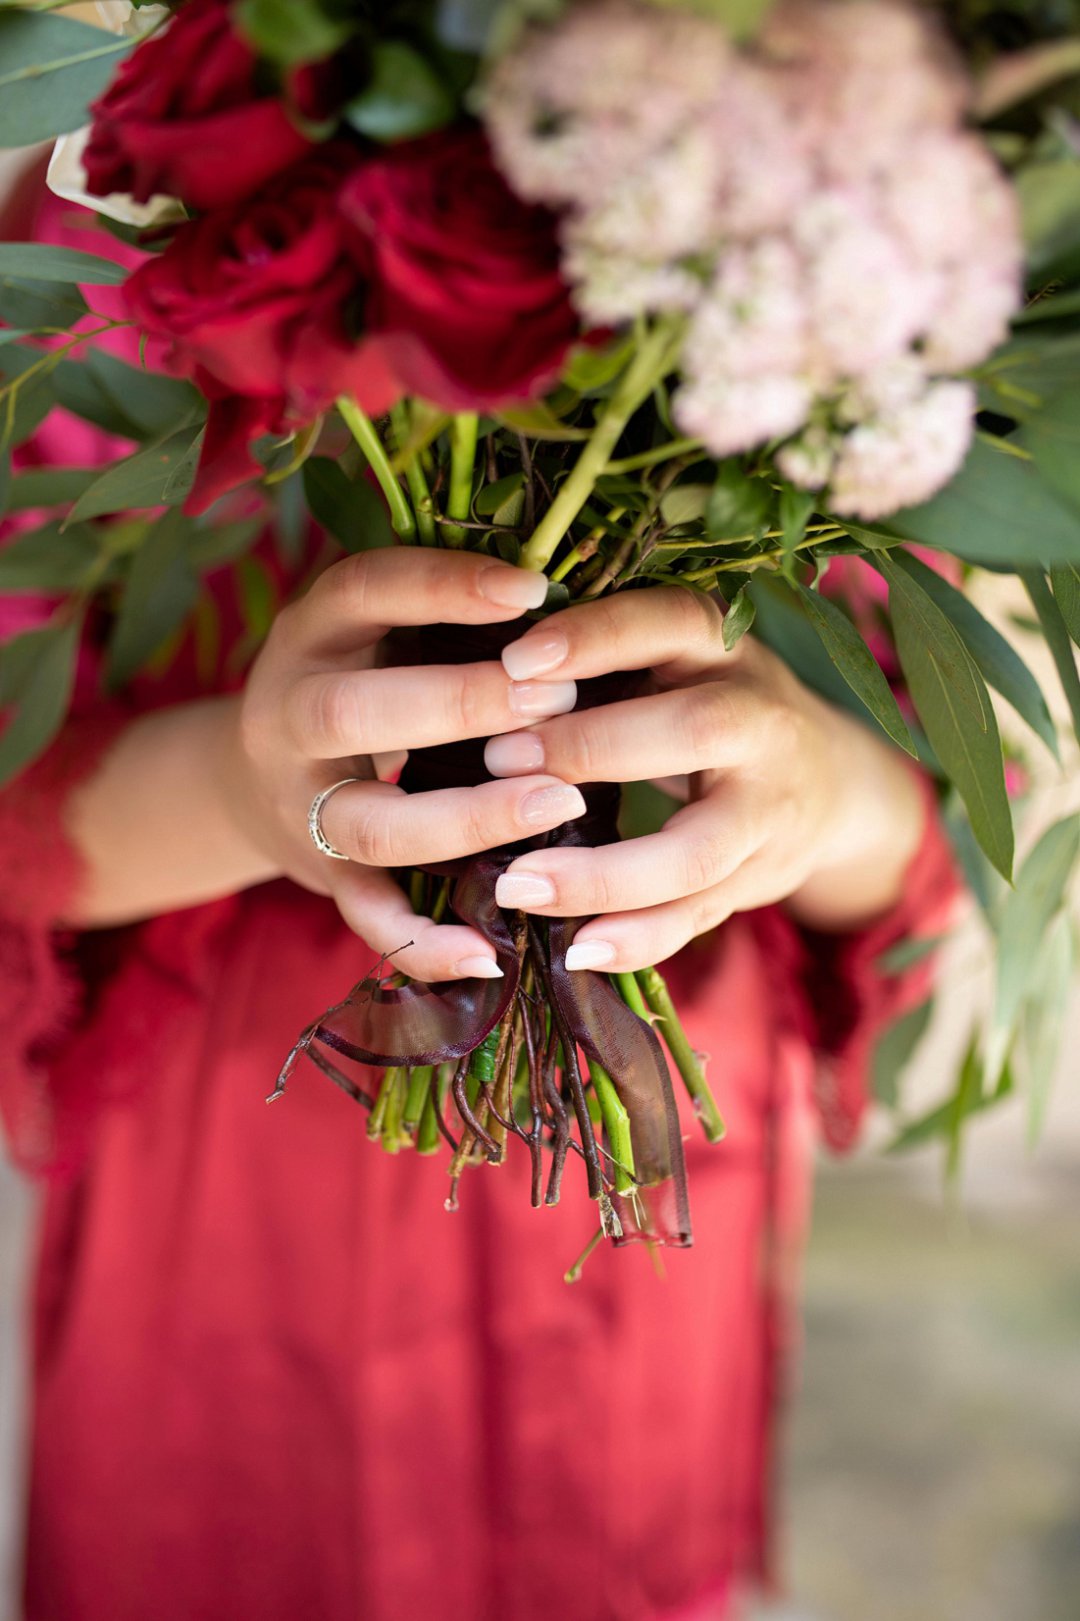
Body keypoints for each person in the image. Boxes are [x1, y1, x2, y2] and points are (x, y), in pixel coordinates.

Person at [0, 172, 957, 1621]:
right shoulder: (159, 237)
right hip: (231, 1260)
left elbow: (920, 828)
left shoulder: (846, 265)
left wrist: (817, 792)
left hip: (627, 1311)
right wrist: (246, 794)